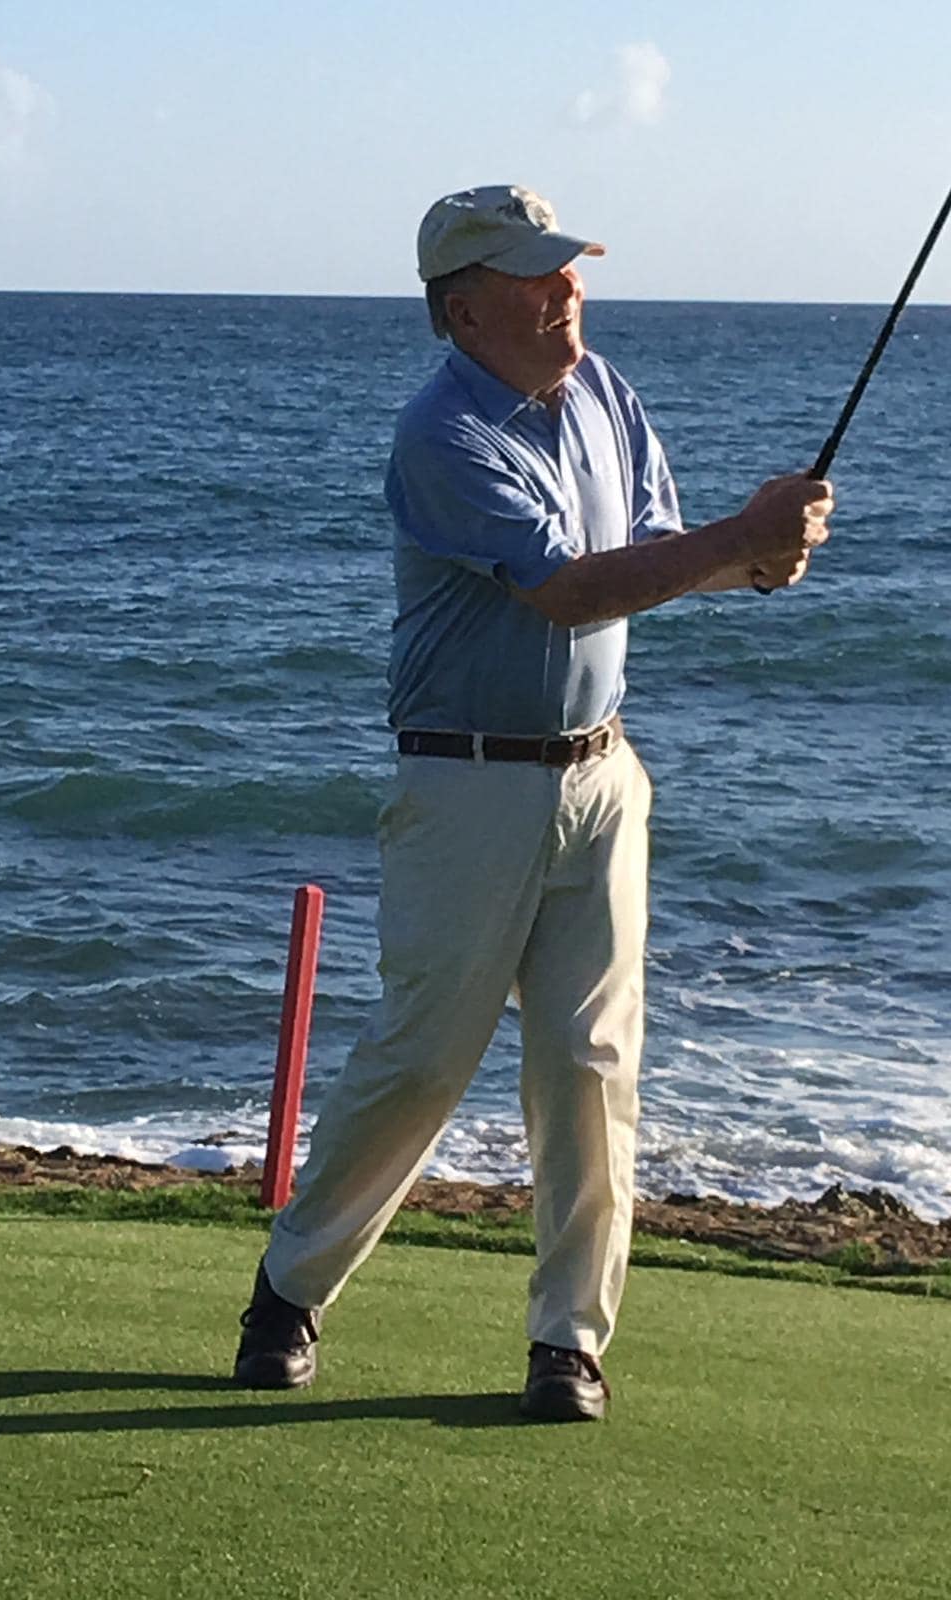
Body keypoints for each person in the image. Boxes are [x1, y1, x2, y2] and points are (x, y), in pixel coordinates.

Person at [233, 184, 833, 1422]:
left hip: (602, 776)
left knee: (590, 1061)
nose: (567, 287)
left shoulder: (605, 392)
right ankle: (290, 1291)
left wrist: (757, 558)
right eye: (535, 273)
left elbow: (663, 551)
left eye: (567, 266)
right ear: (464, 309)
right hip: (467, 779)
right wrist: (738, 534)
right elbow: (570, 589)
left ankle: (569, 1343)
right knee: (422, 1058)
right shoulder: (440, 432)